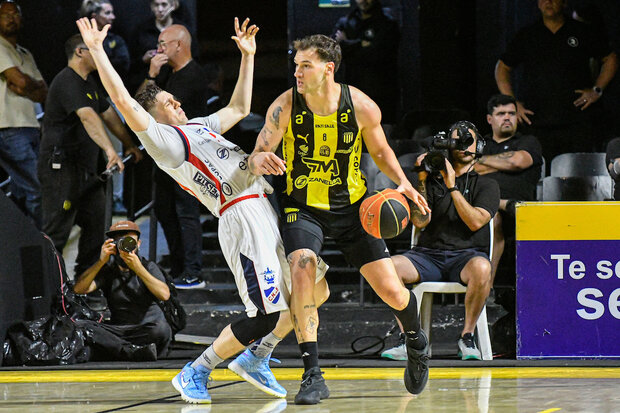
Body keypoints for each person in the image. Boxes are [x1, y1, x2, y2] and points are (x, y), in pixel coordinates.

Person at [76, 16, 330, 405]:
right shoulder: (164, 142)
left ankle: (258, 355)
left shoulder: (198, 126)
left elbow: (240, 107)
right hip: (241, 217)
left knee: (315, 288)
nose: (176, 102)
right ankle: (197, 370)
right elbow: (125, 101)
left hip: (263, 205)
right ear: (152, 116)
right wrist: (97, 51)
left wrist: (248, 56)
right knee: (263, 314)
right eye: (167, 102)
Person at [248, 34, 430, 404]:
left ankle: (415, 340)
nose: (297, 72)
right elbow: (257, 153)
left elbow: (381, 151)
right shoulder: (285, 105)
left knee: (392, 291)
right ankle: (312, 374)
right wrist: (257, 160)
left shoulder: (361, 106)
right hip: (303, 206)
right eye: (296, 65)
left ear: (328, 68)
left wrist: (404, 183)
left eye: (306, 65)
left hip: (353, 208)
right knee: (302, 266)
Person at [386, 121, 500, 361]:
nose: (463, 146)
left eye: (468, 140)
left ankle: (467, 336)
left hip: (466, 257)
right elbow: (420, 222)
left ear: (479, 146)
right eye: (456, 141)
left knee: (483, 268)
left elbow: (475, 222)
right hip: (428, 256)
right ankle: (409, 338)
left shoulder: (487, 184)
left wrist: (452, 186)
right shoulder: (430, 181)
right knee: (388, 267)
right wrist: (421, 177)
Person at [38, 33, 141, 276]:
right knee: (57, 231)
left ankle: (85, 283)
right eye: (94, 49)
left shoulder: (89, 82)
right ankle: (47, 287)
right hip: (61, 168)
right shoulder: (66, 81)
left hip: (86, 169)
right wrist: (110, 150)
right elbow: (88, 117)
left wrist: (129, 144)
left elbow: (108, 114)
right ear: (80, 52)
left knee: (97, 224)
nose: (101, 54)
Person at [495, 0, 618, 166]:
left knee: (577, 171)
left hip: (576, 119)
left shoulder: (581, 31)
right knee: (538, 171)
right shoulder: (528, 34)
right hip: (536, 120)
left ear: (564, 3)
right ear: (538, 4)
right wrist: (511, 102)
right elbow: (502, 67)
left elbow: (610, 58)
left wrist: (597, 90)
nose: (549, 2)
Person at [140, 23, 210, 288]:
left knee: (186, 211)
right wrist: (152, 75)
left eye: (163, 44)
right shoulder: (168, 75)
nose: (158, 49)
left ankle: (193, 270)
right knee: (164, 208)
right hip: (167, 154)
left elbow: (147, 108)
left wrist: (152, 75)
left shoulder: (193, 75)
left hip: (187, 154)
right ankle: (179, 265)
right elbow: (141, 104)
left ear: (178, 45)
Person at [73, 220, 172, 360]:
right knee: (79, 325)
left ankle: (117, 350)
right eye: (119, 241)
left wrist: (138, 268)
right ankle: (131, 351)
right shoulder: (109, 271)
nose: (124, 245)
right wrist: (101, 261)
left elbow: (164, 295)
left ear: (138, 244)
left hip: (145, 330)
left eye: (129, 240)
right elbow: (79, 289)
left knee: (161, 329)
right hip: (118, 331)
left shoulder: (148, 267)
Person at [474, 94, 543, 284]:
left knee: (492, 215)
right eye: (501, 114)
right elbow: (466, 169)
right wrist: (501, 164)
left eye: (511, 113)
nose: (507, 118)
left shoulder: (528, 141)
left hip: (520, 209)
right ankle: (502, 203)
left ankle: (486, 287)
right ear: (490, 119)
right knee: (491, 214)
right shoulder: (480, 144)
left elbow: (516, 162)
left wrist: (481, 162)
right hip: (481, 204)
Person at [0, 0, 46, 228]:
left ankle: (21, 238)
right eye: (5, 15)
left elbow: (44, 92)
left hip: (31, 125)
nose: (11, 19)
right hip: (9, 127)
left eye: (15, 14)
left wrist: (26, 86)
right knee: (36, 187)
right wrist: (27, 85)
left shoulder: (25, 53)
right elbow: (18, 81)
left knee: (21, 191)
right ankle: (41, 239)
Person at [333, 0, 400, 123]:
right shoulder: (346, 22)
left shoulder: (388, 24)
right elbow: (335, 51)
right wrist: (360, 44)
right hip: (351, 91)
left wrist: (348, 44)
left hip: (380, 93)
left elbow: (378, 55)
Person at [79, 0, 130, 83]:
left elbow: (124, 64)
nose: (113, 17)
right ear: (94, 16)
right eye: (107, 13)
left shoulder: (115, 40)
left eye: (112, 12)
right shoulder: (79, 40)